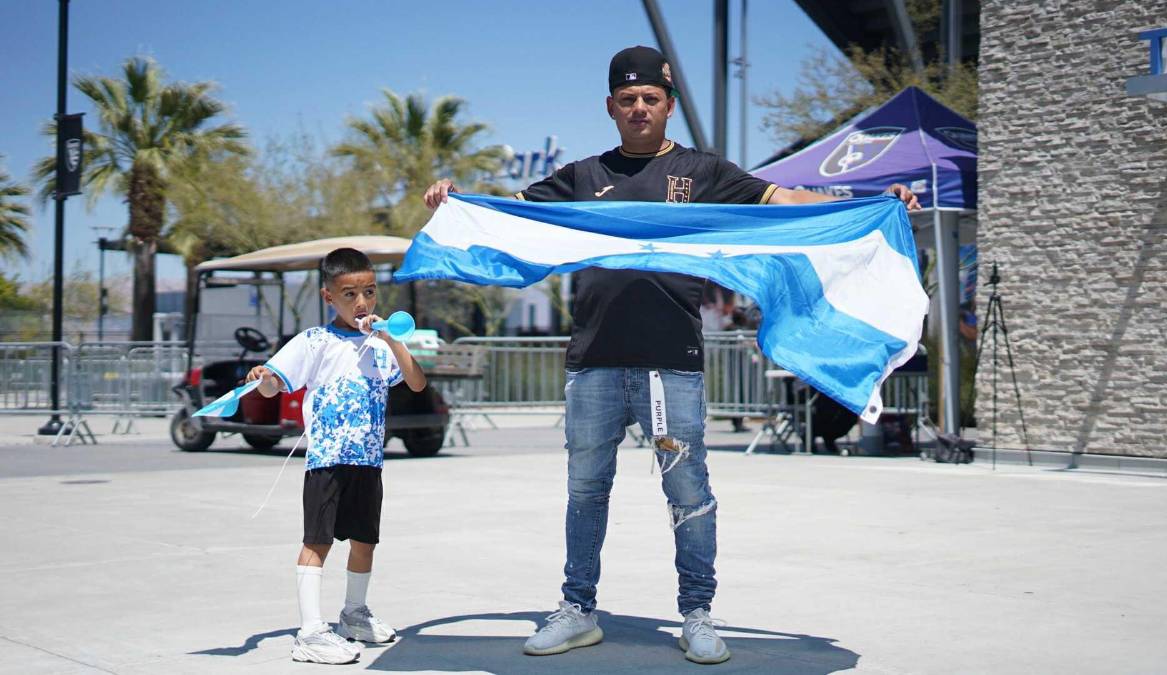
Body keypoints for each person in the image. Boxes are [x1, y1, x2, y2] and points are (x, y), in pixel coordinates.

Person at [423, 45, 919, 665]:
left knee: (688, 491)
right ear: (610, 106)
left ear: (668, 104)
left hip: (673, 363)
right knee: (585, 491)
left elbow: (787, 201)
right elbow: (512, 216)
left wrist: (869, 199)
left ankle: (698, 615)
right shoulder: (581, 177)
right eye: (626, 99)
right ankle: (578, 610)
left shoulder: (704, 174)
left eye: (649, 99)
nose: (638, 108)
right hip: (594, 362)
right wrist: (457, 201)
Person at [247, 247, 428, 665]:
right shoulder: (314, 342)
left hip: (369, 462)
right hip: (327, 461)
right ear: (329, 297)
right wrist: (265, 377)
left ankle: (354, 614)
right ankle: (310, 632)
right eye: (350, 294)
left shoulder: (382, 347)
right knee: (317, 542)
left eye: (369, 292)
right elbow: (274, 386)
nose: (362, 303)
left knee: (365, 542)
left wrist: (393, 340)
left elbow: (417, 383)